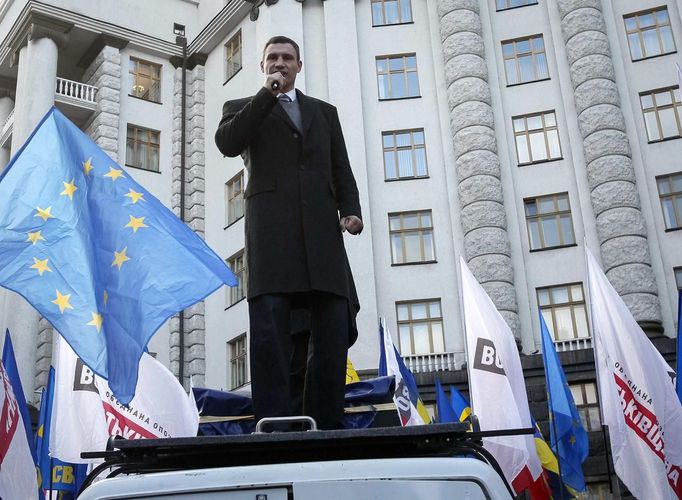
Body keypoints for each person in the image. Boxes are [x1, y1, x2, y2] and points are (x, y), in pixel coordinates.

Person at [215, 35, 363, 430]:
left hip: (321, 236)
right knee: (271, 333)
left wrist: (350, 211)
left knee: (330, 327)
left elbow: (340, 168)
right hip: (271, 237)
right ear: (263, 66)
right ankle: (276, 425)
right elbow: (228, 144)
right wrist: (266, 96)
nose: (280, 64)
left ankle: (326, 422)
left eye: (287, 58)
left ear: (299, 66)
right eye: (272, 59)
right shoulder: (242, 108)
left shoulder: (324, 113)